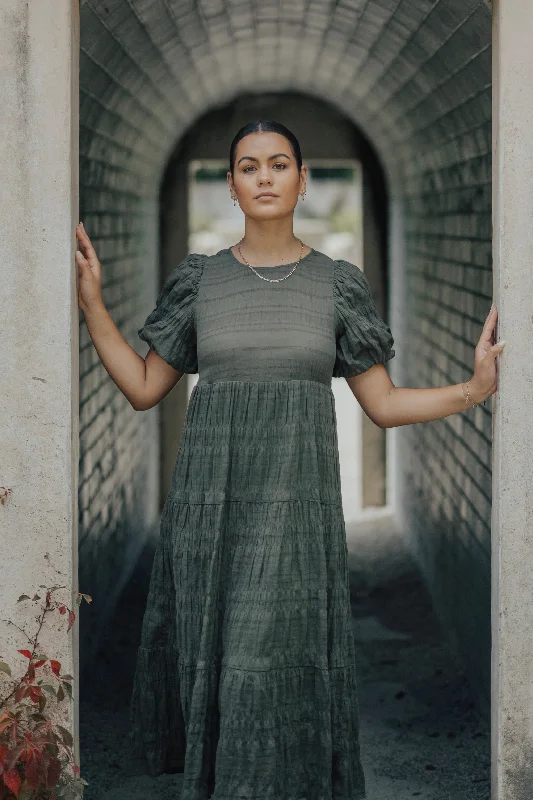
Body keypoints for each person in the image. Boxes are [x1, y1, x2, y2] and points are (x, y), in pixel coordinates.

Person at [75, 119, 504, 800]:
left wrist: (472, 389)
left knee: (269, 663)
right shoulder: (199, 282)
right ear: (231, 186)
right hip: (210, 512)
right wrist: (93, 305)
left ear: (303, 182)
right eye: (249, 166)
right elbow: (143, 388)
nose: (265, 177)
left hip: (298, 513)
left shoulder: (337, 285)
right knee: (224, 666)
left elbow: (384, 404)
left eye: (279, 164)